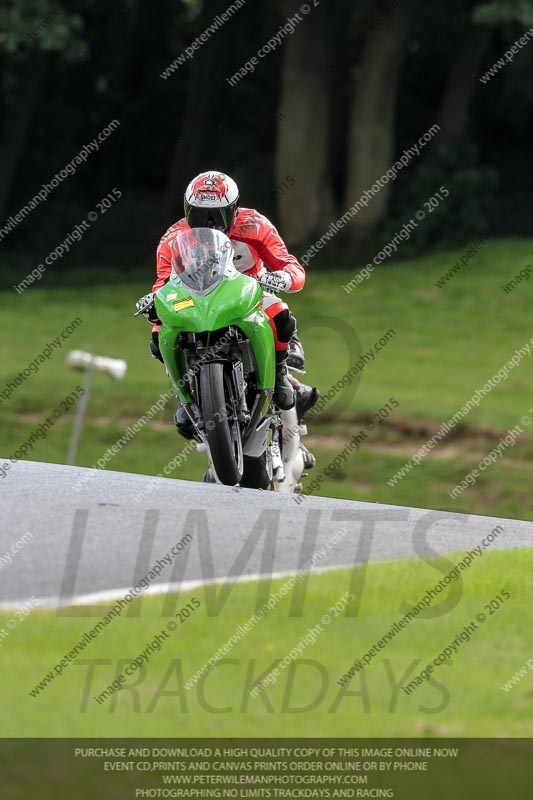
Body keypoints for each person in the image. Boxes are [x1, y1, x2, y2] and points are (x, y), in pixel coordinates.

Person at [136, 170, 318, 442]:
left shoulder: (256, 225)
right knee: (158, 334)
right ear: (187, 210)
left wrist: (282, 277)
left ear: (233, 210)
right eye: (199, 214)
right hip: (193, 299)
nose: (208, 223)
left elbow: (290, 265)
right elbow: (162, 284)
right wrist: (154, 303)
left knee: (281, 316)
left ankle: (279, 375)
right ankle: (185, 393)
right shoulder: (173, 238)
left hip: (247, 294)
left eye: (217, 215)